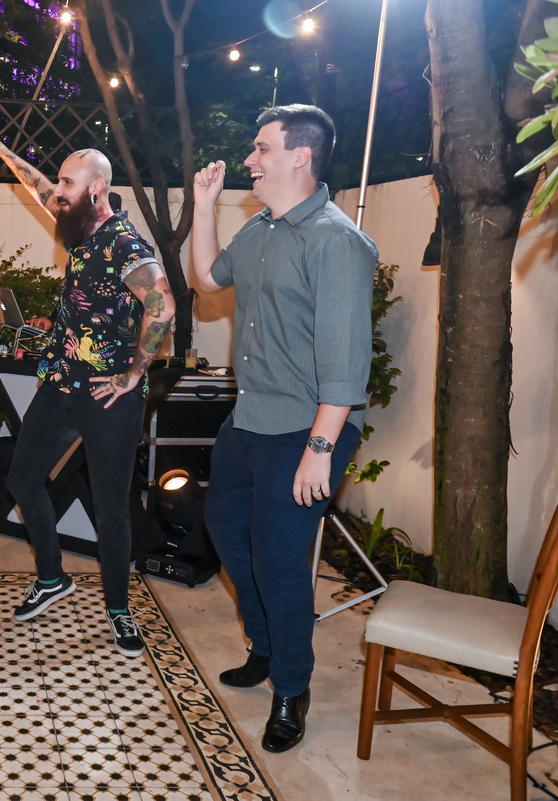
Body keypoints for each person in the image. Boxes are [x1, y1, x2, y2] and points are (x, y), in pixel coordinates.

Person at [190, 104, 376, 753]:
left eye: (262, 148)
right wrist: (204, 206)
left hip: (308, 428)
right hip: (250, 419)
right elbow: (206, 278)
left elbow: (346, 366)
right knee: (225, 531)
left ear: (301, 156)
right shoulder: (261, 230)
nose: (250, 159)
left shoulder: (336, 241)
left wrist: (320, 449)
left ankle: (292, 687)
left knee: (280, 561)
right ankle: (266, 646)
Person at [0, 116, 175, 658]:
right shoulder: (81, 228)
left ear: (97, 188)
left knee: (110, 507)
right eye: (60, 181)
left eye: (68, 183)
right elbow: (39, 189)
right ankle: (52, 576)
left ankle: (119, 610)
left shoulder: (124, 243)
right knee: (23, 479)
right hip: (61, 384)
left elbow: (161, 305)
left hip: (110, 397)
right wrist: (1, 148)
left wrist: (135, 373)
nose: (57, 191)